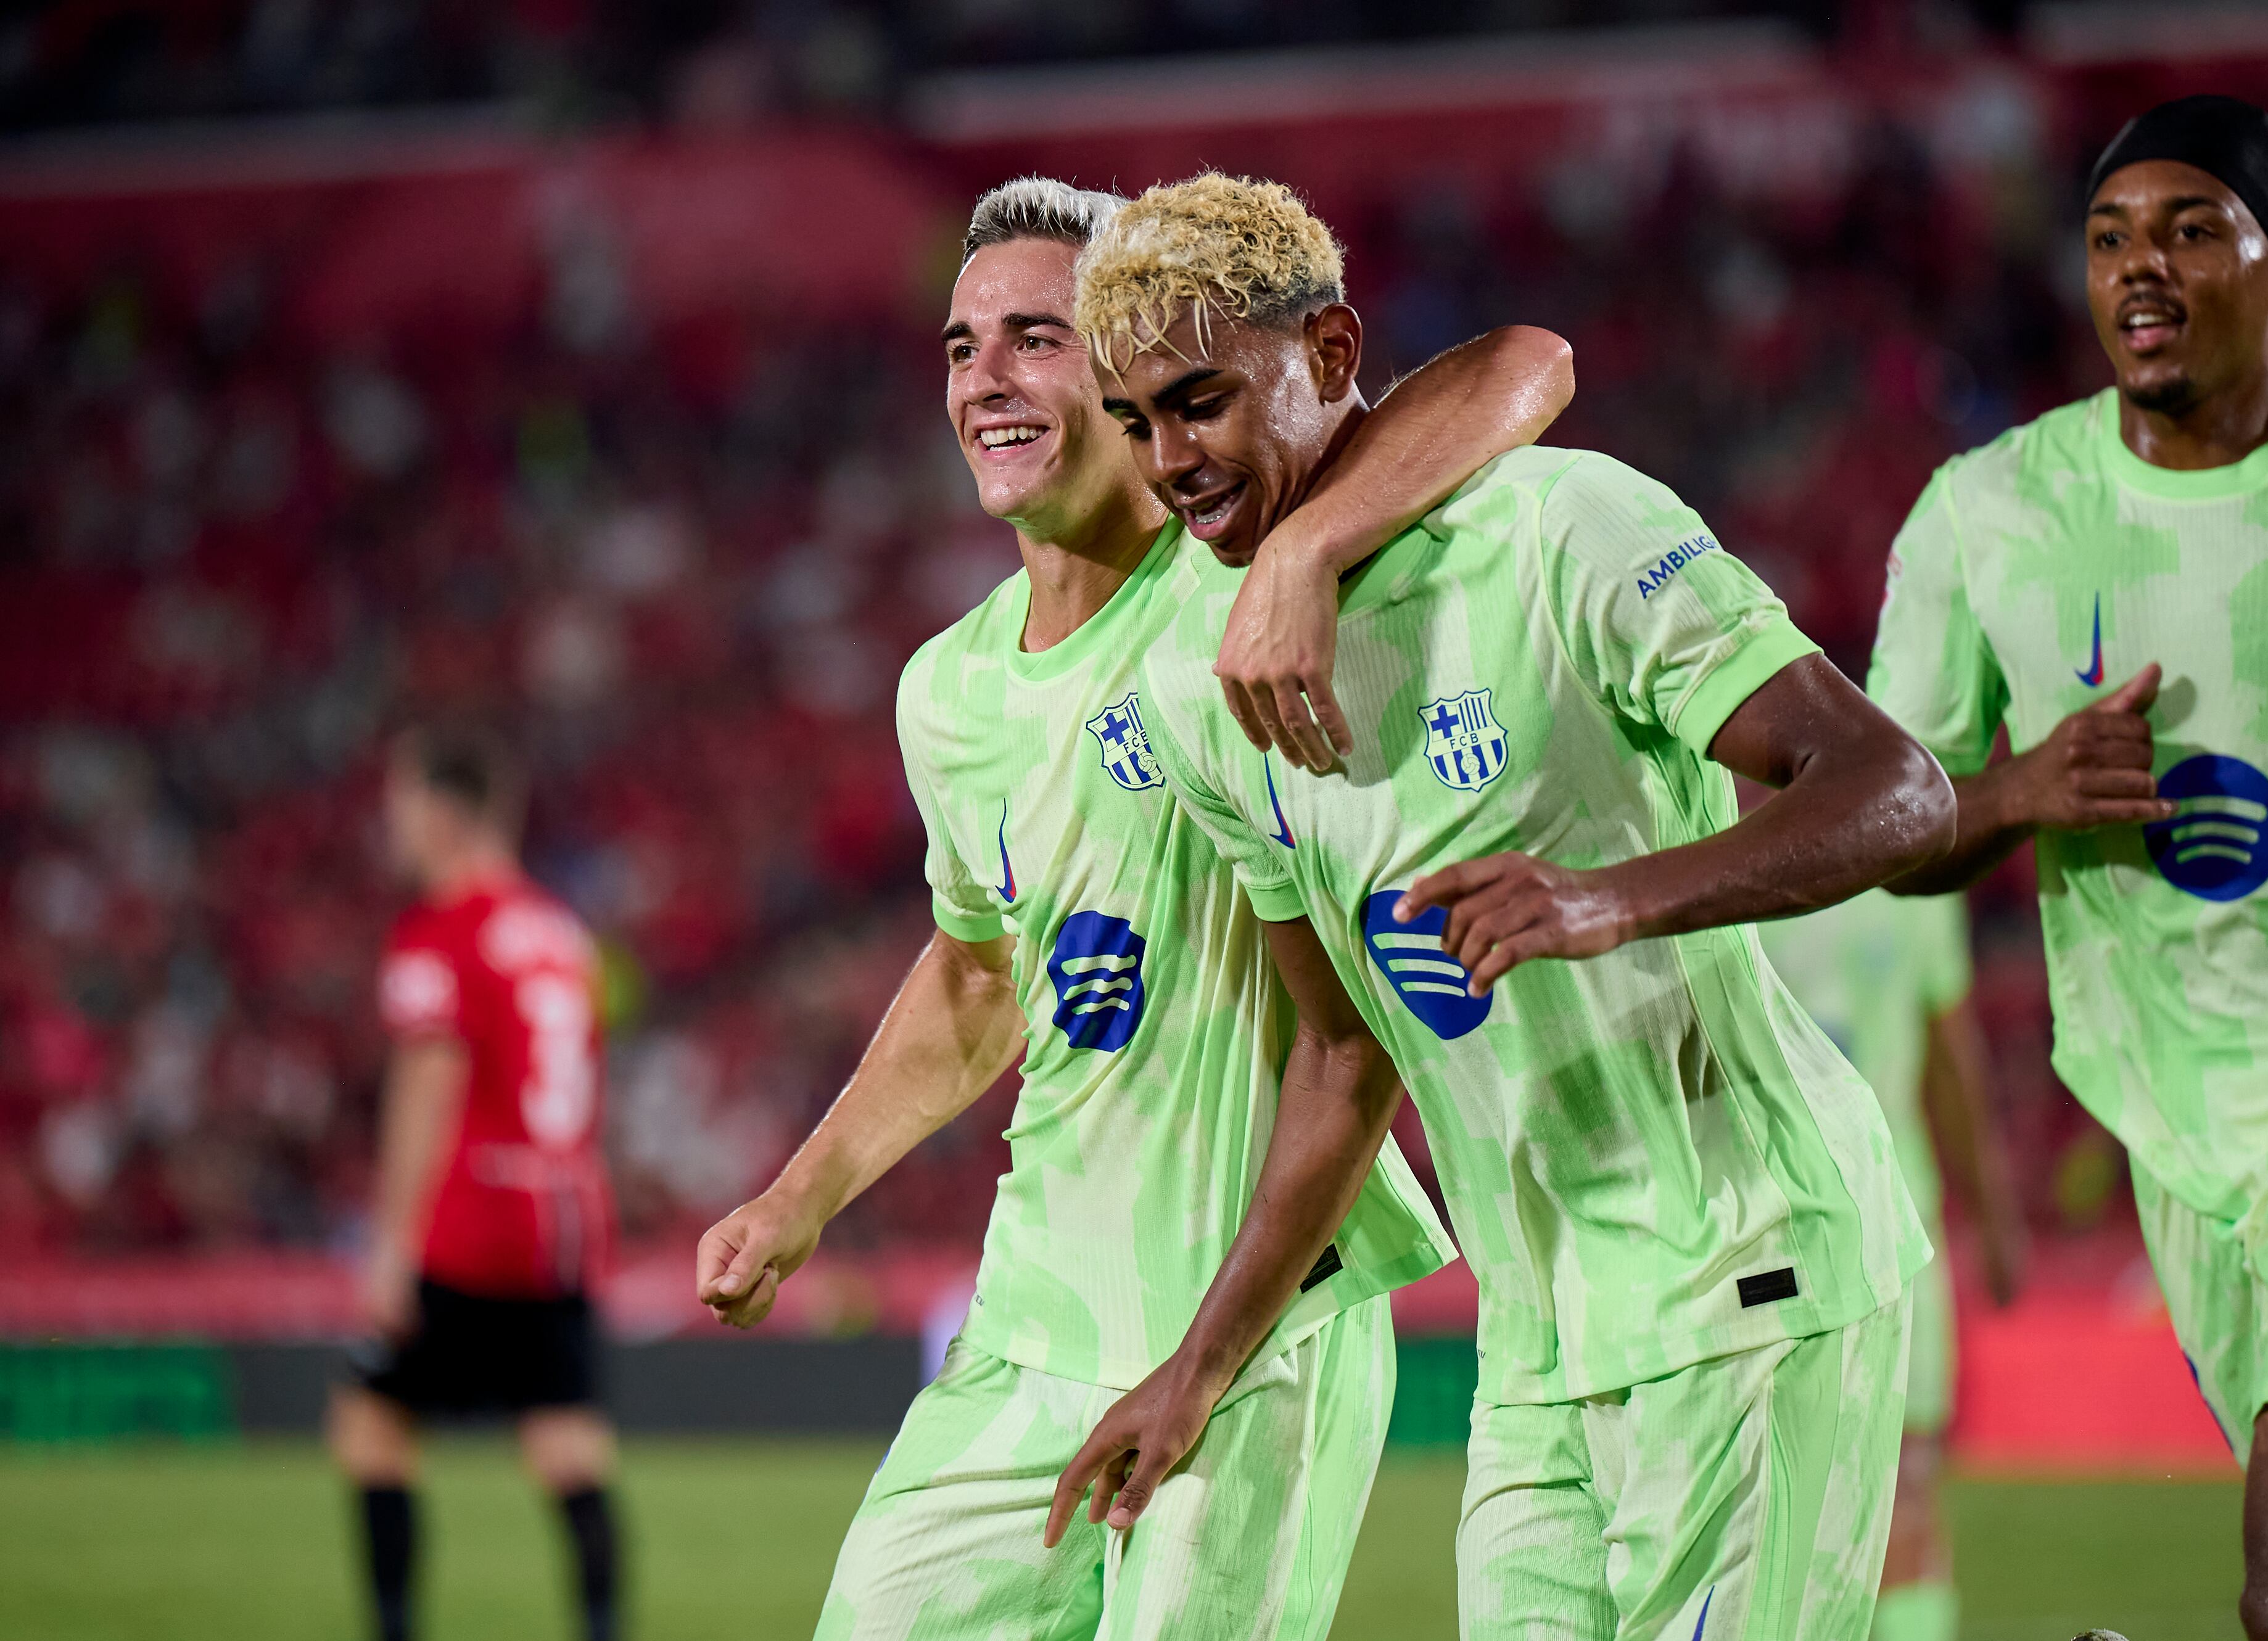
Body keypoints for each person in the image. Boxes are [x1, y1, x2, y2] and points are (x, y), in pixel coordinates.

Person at [1054, 172, 1956, 1641]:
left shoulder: (1562, 529)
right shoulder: (1196, 689)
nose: (1169, 459)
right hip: (1536, 1352)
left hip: (1749, 1267)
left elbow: (1895, 788)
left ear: (1334, 359)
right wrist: (1197, 1368)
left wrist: (1607, 900)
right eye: (1136, 419)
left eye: (1202, 403)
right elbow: (1342, 1059)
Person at [693, 176, 1576, 1640]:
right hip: (1033, 1320)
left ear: (1123, 368)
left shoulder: (1242, 572)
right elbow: (982, 981)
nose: (987, 377)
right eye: (963, 346)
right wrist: (799, 1201)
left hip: (1250, 1327)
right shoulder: (948, 692)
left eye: (1037, 337)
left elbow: (1522, 367)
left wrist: (1301, 549)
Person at [1865, 95, 2268, 1640]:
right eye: (2110, 233)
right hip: (2180, 1134)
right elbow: (1896, 833)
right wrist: (2014, 791)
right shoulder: (1984, 517)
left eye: (2195, 225)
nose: (2142, 263)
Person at [330, 724, 620, 1641]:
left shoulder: (441, 930)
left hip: (470, 1215)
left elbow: (431, 1082)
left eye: (403, 803)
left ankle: (394, 1626)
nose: (394, 824)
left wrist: (390, 1245)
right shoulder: (562, 931)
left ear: (446, 813)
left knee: (371, 1423)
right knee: (564, 1440)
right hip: (565, 1212)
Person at [1757, 887, 2027, 1641]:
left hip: (1884, 1221)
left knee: (1900, 1484)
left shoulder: (1910, 867)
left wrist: (1992, 1212)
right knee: (1786, 1502)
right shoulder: (1724, 839)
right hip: (1778, 1232)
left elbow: (1948, 1051)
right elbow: (1950, 1053)